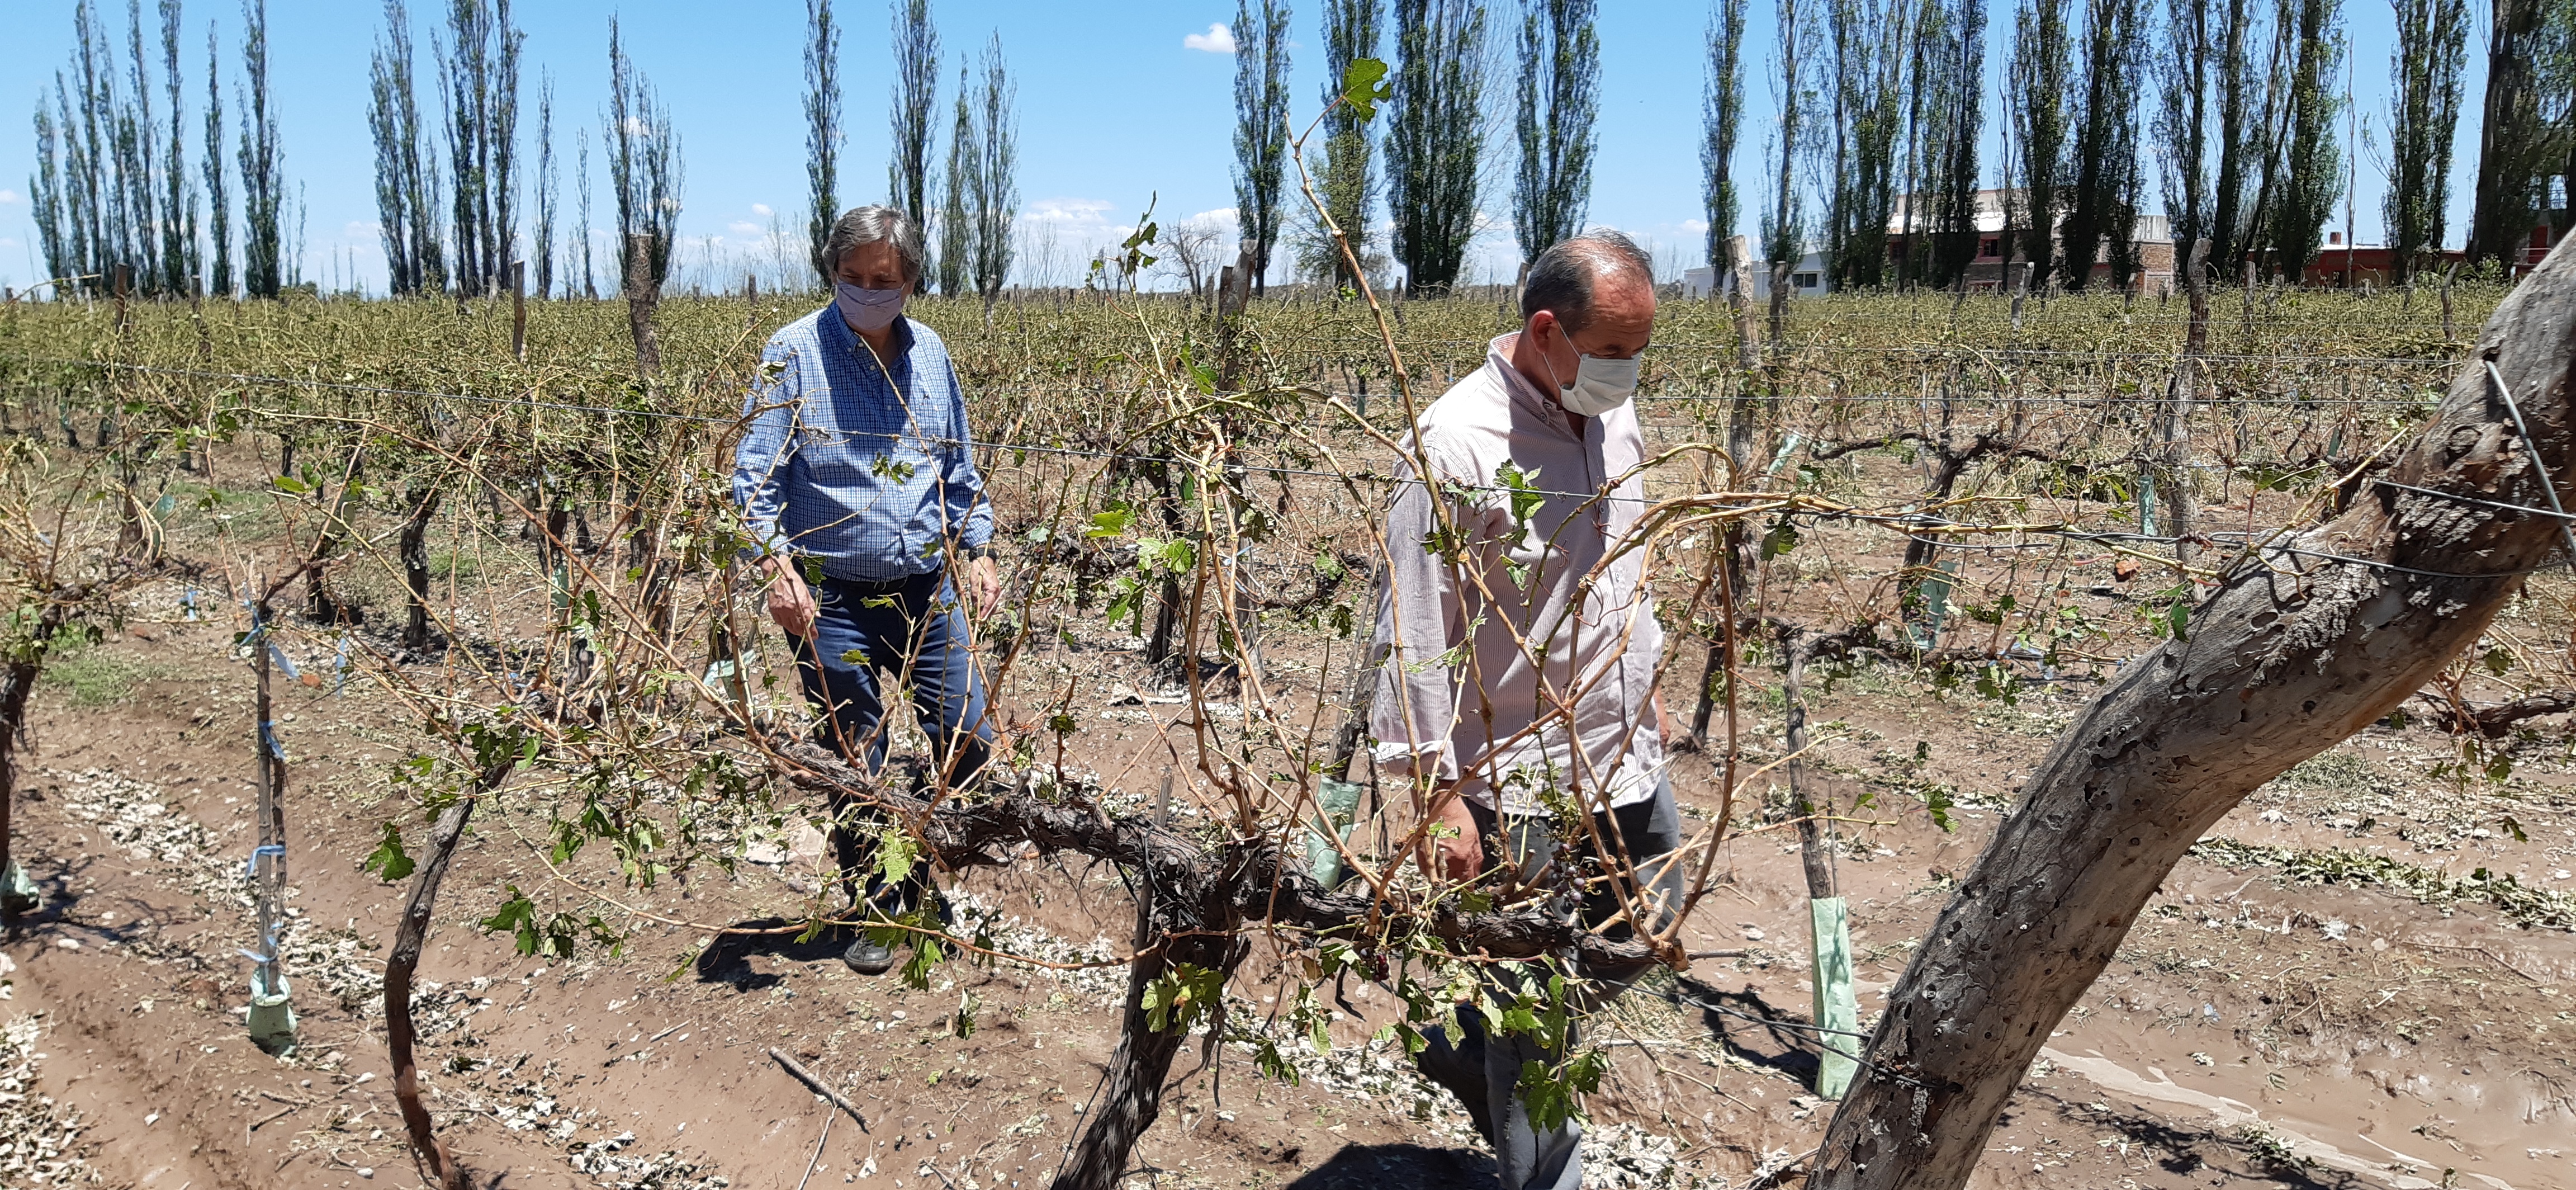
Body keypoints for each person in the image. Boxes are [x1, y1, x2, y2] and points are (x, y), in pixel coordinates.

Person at [1367, 230, 1685, 1189]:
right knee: (1536, 1007)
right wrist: (1436, 794)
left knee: (1649, 929)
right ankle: (1540, 1161)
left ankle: (1464, 1046)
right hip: (1520, 773)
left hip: (1621, 746)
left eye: (1640, 352)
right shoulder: (1453, 446)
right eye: (1615, 353)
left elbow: (1618, 556)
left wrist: (1646, 675)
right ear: (1547, 331)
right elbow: (1416, 630)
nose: (1630, 375)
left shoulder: (1608, 413)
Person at [733, 204, 1001, 976]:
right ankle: (882, 909)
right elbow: (753, 483)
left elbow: (956, 467)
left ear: (911, 282)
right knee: (859, 761)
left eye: (883, 281)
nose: (865, 292)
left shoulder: (933, 356)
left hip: (923, 592)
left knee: (970, 738)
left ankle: (920, 853)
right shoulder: (791, 356)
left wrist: (976, 549)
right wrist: (776, 570)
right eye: (850, 279)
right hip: (831, 599)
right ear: (832, 273)